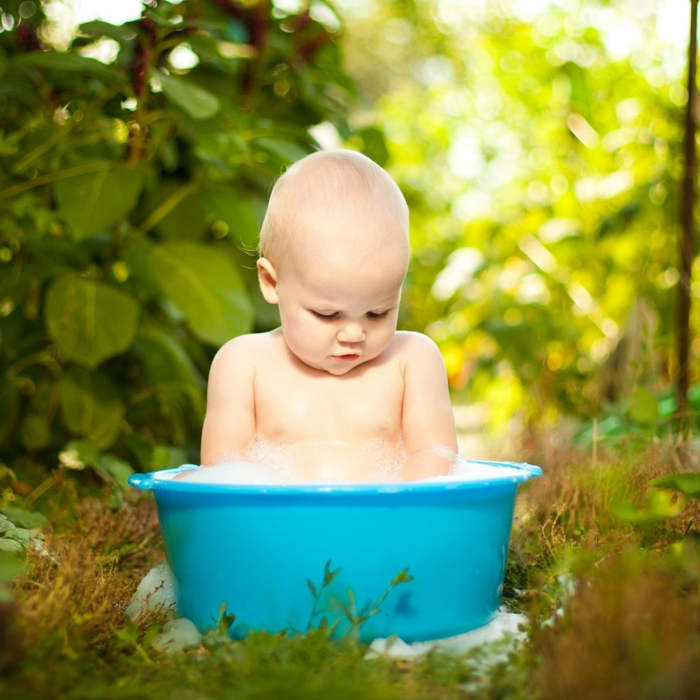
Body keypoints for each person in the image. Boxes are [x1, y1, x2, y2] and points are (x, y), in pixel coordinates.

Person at [200, 149, 457, 482]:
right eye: (327, 314)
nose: (353, 333)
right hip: (276, 527)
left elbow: (435, 455)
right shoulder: (244, 364)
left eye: (377, 312)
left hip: (388, 524)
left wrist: (404, 499)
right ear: (272, 282)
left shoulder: (412, 361)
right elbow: (223, 465)